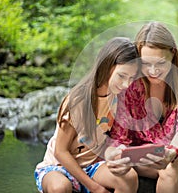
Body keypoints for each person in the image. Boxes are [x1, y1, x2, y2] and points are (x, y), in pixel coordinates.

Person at [106, 22, 178, 193]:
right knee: (171, 166)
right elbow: (120, 136)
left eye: (161, 63)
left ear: (172, 54)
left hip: (176, 140)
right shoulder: (129, 82)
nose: (153, 71)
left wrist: (172, 150)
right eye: (147, 63)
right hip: (139, 147)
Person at [34, 37, 140, 193]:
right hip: (58, 167)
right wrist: (95, 188)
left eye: (131, 78)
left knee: (129, 177)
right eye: (122, 76)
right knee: (60, 187)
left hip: (93, 166)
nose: (126, 84)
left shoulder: (119, 98)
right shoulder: (78, 100)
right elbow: (60, 151)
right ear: (106, 66)